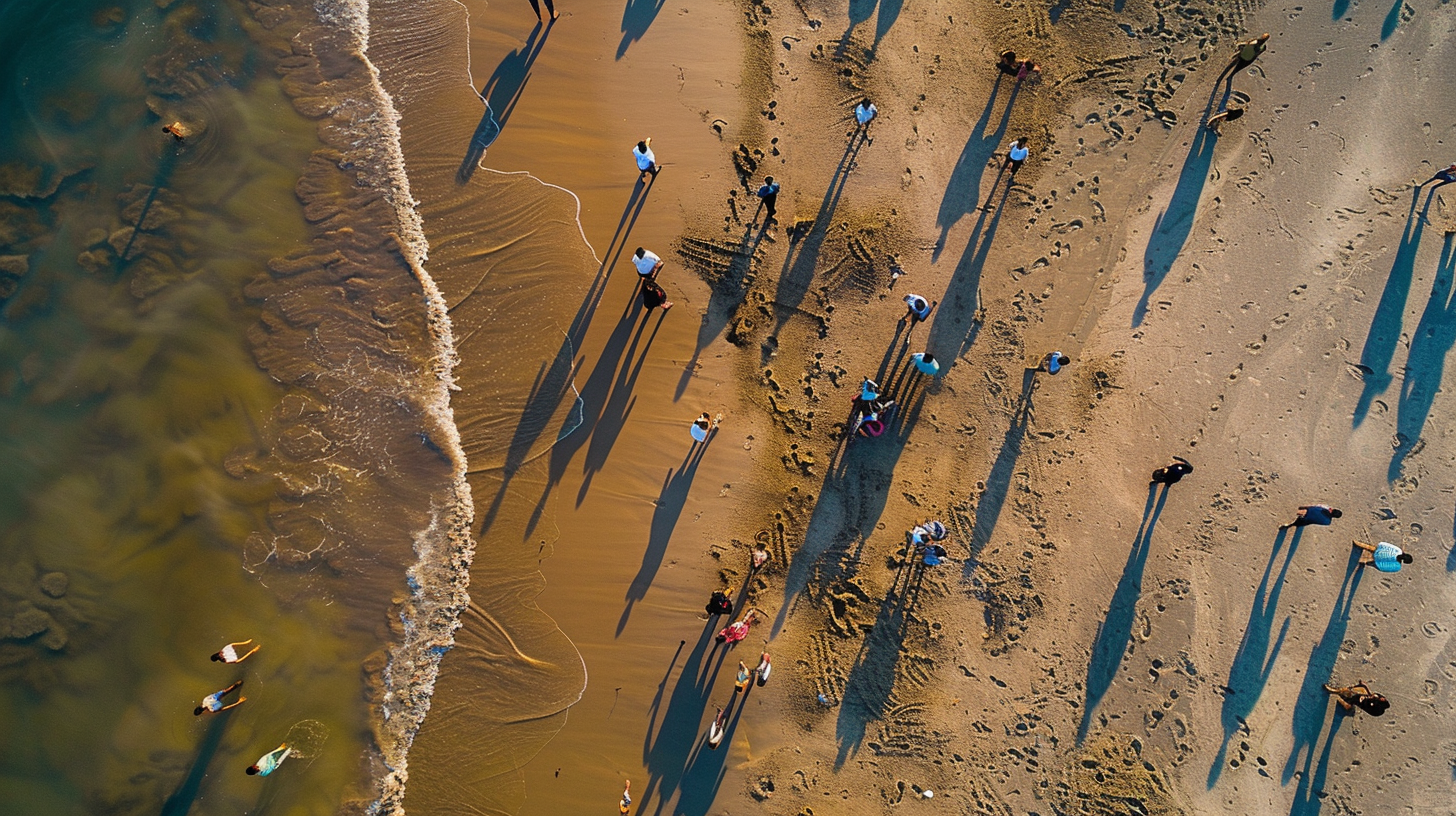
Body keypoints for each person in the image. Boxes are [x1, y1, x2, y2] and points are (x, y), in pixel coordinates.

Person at [1322, 681, 1390, 716]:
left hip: (1368, 705)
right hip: (1368, 702)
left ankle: (1337, 693)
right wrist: (1364, 687)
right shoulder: (1379, 697)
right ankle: (1343, 692)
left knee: (1352, 698)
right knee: (1361, 688)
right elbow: (1369, 694)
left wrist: (1363, 698)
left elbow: (1362, 700)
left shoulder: (1373, 707)